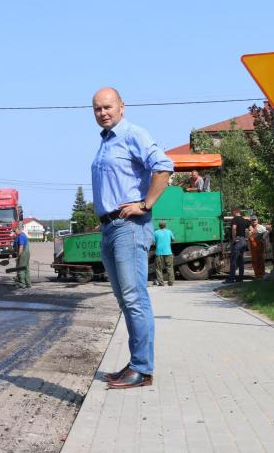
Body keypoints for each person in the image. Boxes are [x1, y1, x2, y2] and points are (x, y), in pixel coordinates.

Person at [91, 87, 173, 389]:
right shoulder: (104, 143)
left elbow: (164, 166)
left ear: (122, 107)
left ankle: (142, 368)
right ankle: (135, 363)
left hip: (130, 227)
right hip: (110, 228)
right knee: (125, 300)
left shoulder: (133, 134)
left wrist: (145, 203)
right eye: (98, 109)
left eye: (108, 107)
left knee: (135, 298)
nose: (103, 113)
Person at [226, 207, 250, 283]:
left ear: (234, 211)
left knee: (233, 261)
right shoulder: (244, 220)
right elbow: (251, 228)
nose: (232, 214)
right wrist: (247, 238)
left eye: (232, 212)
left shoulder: (235, 219)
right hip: (243, 241)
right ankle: (240, 279)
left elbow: (234, 228)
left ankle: (231, 279)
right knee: (240, 261)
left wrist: (234, 238)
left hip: (238, 241)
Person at [153, 221, 175, 286]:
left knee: (158, 268)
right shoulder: (169, 231)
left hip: (159, 253)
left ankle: (161, 283)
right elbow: (173, 239)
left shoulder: (155, 232)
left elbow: (153, 242)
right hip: (168, 252)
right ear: (165, 225)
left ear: (159, 226)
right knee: (170, 267)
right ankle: (170, 282)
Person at [247, 215, 267, 279]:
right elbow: (248, 237)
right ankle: (257, 275)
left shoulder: (261, 227)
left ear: (257, 220)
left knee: (260, 260)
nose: (253, 221)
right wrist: (250, 231)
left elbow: (266, 232)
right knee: (254, 261)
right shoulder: (249, 228)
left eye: (255, 220)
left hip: (259, 247)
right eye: (252, 220)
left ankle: (261, 274)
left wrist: (263, 238)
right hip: (253, 249)